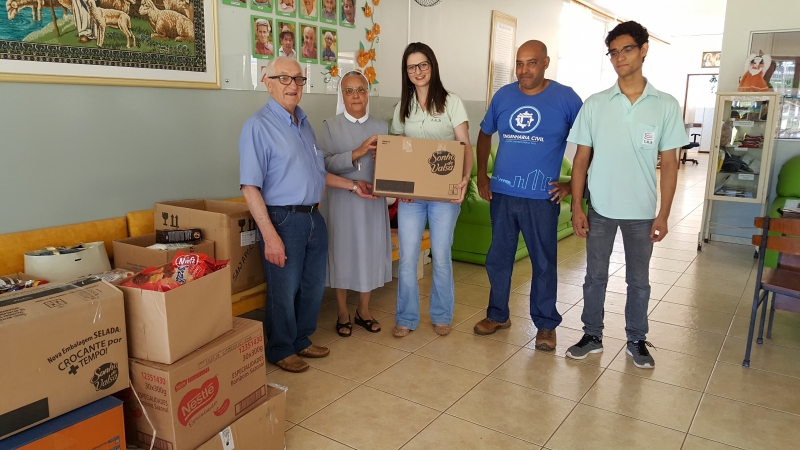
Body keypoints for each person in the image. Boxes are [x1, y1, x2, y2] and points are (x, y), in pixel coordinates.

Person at [239, 56, 377, 373]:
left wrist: (354, 186)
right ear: (268, 82)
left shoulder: (303, 123)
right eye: (284, 78)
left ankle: (301, 340)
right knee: (284, 290)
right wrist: (270, 236)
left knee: (313, 287)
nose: (293, 85)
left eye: (298, 79)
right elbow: (249, 187)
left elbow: (318, 174)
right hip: (283, 220)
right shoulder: (258, 126)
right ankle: (281, 348)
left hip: (314, 217)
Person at [565, 21, 687, 369]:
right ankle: (592, 335)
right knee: (594, 277)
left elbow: (670, 163)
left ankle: (636, 339)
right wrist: (577, 206)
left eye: (627, 49)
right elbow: (581, 159)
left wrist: (663, 214)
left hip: (642, 211)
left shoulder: (665, 105)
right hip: (600, 208)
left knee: (639, 281)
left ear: (644, 50)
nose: (619, 57)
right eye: (613, 52)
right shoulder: (596, 104)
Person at [471, 41, 583, 351]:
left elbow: (589, 143)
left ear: (545, 63)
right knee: (498, 259)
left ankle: (545, 325)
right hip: (503, 194)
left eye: (531, 63)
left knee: (543, 262)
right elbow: (484, 134)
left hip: (541, 198)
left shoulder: (566, 98)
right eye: (519, 63)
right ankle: (497, 315)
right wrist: (483, 175)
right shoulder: (503, 96)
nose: (523, 70)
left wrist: (572, 186)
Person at [391, 42, 473, 338]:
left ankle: (441, 314)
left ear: (432, 66)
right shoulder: (402, 107)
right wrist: (398, 186)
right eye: (411, 67)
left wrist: (465, 179)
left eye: (423, 64)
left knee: (440, 254)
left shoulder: (452, 102)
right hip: (411, 198)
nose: (418, 71)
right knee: (408, 257)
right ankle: (406, 317)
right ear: (406, 72)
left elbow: (465, 146)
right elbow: (397, 150)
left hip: (444, 196)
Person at [319, 71, 392, 337]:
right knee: (341, 252)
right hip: (341, 202)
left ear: (367, 93)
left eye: (360, 89)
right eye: (349, 91)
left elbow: (393, 166)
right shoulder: (329, 126)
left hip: (372, 201)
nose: (356, 96)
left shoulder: (382, 127)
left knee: (368, 253)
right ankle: (342, 311)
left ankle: (363, 310)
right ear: (342, 95)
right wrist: (357, 152)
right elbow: (323, 165)